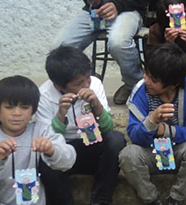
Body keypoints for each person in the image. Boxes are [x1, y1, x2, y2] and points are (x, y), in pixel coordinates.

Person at [0, 76, 76, 205]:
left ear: (33, 110)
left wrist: (52, 150)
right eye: (9, 107)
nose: (17, 113)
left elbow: (68, 160)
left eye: (24, 107)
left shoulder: (42, 131)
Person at [118, 43, 186, 205]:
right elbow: (134, 135)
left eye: (153, 79)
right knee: (128, 154)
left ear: (172, 84)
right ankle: (151, 199)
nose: (146, 80)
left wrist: (165, 130)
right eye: (146, 74)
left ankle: (177, 198)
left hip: (178, 151)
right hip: (150, 152)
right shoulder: (140, 91)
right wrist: (151, 121)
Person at [36, 46, 126, 205]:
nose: (86, 85)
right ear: (59, 86)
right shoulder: (44, 96)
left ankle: (101, 200)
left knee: (116, 140)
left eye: (87, 78)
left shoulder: (95, 84)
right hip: (62, 150)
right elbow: (47, 139)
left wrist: (97, 105)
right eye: (79, 83)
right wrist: (60, 115)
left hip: (89, 146)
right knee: (44, 157)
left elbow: (107, 128)